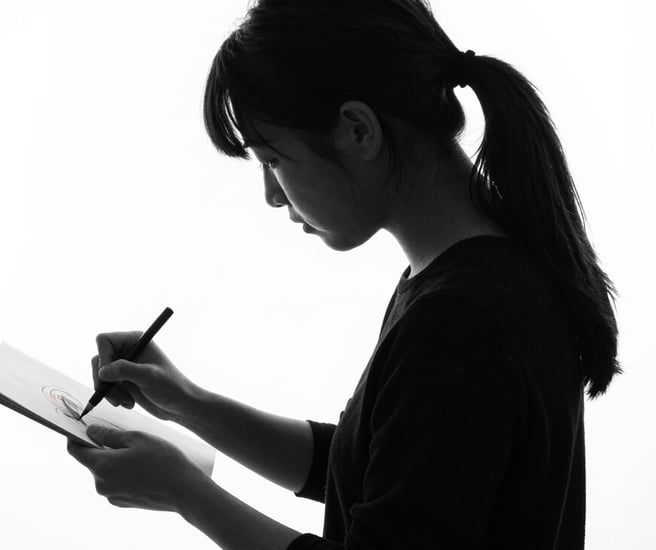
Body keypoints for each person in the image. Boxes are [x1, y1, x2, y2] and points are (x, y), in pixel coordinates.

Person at [66, 1, 622, 548]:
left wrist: (188, 494)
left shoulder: (458, 323)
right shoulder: (475, 274)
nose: (271, 194)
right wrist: (189, 403)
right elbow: (380, 470)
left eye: (272, 160)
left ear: (358, 131)